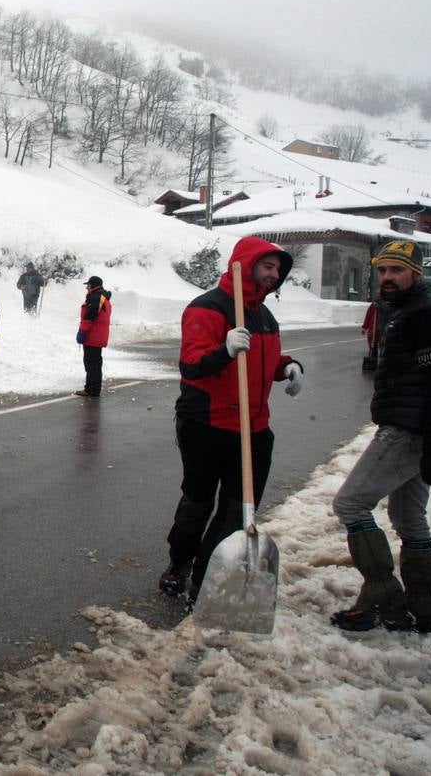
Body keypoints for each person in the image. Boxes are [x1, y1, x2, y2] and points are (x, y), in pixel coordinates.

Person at [330, 239, 431, 636]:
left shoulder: (428, 315)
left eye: (397, 271)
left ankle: (384, 598)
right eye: (383, 270)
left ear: (416, 275)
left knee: (351, 504)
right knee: (409, 519)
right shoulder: (409, 311)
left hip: (409, 431)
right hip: (417, 430)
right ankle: (423, 610)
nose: (387, 277)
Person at [159, 237, 304, 604]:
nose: (273, 275)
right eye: (267, 266)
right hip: (206, 425)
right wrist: (223, 350)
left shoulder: (265, 317)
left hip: (254, 429)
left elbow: (262, 364)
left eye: (277, 269)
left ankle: (205, 579)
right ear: (246, 264)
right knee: (198, 502)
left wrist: (287, 367)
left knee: (238, 510)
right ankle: (179, 562)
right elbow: (192, 364)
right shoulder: (207, 308)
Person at [75, 276, 112, 398]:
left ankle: (91, 390)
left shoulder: (96, 298)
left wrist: (82, 332)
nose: (87, 287)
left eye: (88, 285)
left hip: (93, 336)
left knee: (91, 363)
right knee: (95, 363)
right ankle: (93, 389)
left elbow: (89, 318)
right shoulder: (102, 297)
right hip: (97, 336)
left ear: (93, 285)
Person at [360, 298, 390, 371]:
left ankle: (383, 365)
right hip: (373, 329)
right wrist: (364, 327)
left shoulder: (391, 304)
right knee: (372, 346)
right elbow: (368, 316)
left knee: (384, 348)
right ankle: (373, 362)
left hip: (384, 329)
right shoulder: (374, 305)